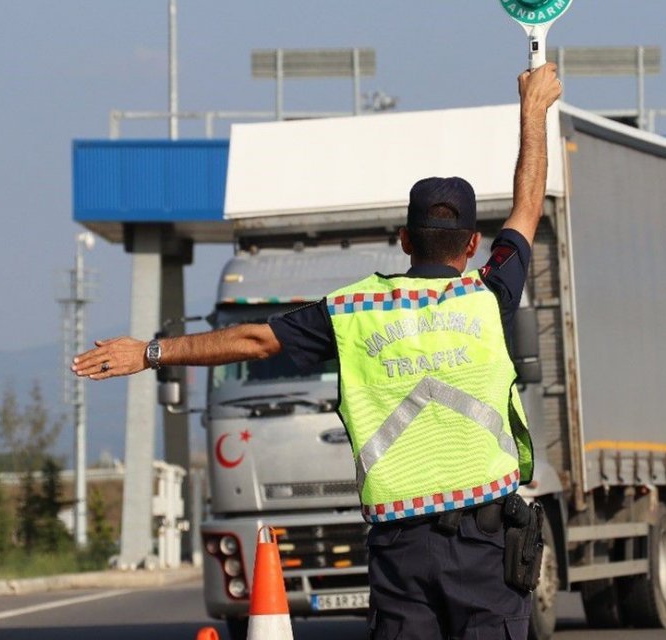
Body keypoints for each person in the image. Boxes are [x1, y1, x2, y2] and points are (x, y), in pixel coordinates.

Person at [73, 63, 563, 640]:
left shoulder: (353, 311)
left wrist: (149, 352)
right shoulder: (488, 294)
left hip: (400, 551)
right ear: (474, 244)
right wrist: (533, 110)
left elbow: (254, 340)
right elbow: (528, 209)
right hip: (485, 546)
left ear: (404, 239)